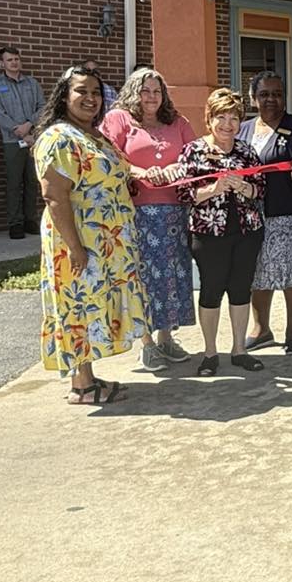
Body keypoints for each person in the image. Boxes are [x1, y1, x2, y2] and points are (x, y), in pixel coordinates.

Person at [33, 65, 147, 404]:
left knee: (92, 305)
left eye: (96, 93)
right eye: (82, 91)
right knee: (77, 305)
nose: (91, 99)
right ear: (65, 95)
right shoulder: (58, 138)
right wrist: (75, 247)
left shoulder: (94, 135)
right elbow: (55, 195)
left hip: (104, 242)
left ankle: (89, 377)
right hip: (77, 241)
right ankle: (82, 386)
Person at [101, 68, 196, 372]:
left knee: (171, 276)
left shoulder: (177, 122)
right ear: (133, 92)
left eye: (156, 91)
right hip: (136, 212)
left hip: (173, 213)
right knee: (143, 278)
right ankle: (147, 344)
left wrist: (176, 170)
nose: (151, 97)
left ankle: (167, 337)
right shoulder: (119, 119)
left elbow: (193, 156)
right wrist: (139, 172)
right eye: (145, 91)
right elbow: (107, 155)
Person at [177, 89, 266, 377]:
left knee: (241, 289)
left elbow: (260, 189)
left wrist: (244, 187)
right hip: (208, 233)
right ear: (209, 118)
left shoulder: (247, 151)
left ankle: (239, 350)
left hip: (246, 231)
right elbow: (184, 193)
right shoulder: (193, 150)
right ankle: (210, 352)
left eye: (233, 118)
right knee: (212, 289)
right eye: (221, 117)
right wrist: (213, 189)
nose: (228, 124)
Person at [240, 71, 292, 354]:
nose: (271, 99)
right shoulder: (243, 129)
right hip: (251, 215)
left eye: (277, 94)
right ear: (253, 98)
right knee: (256, 273)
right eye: (264, 94)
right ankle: (261, 329)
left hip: (290, 214)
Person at [0, 45, 45, 239]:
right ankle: (15, 223)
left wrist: (29, 125)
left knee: (32, 181)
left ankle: (30, 220)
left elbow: (43, 108)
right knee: (14, 182)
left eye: (16, 59)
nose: (14, 62)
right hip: (11, 141)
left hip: (33, 140)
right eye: (10, 59)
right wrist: (18, 130)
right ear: (1, 63)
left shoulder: (32, 83)